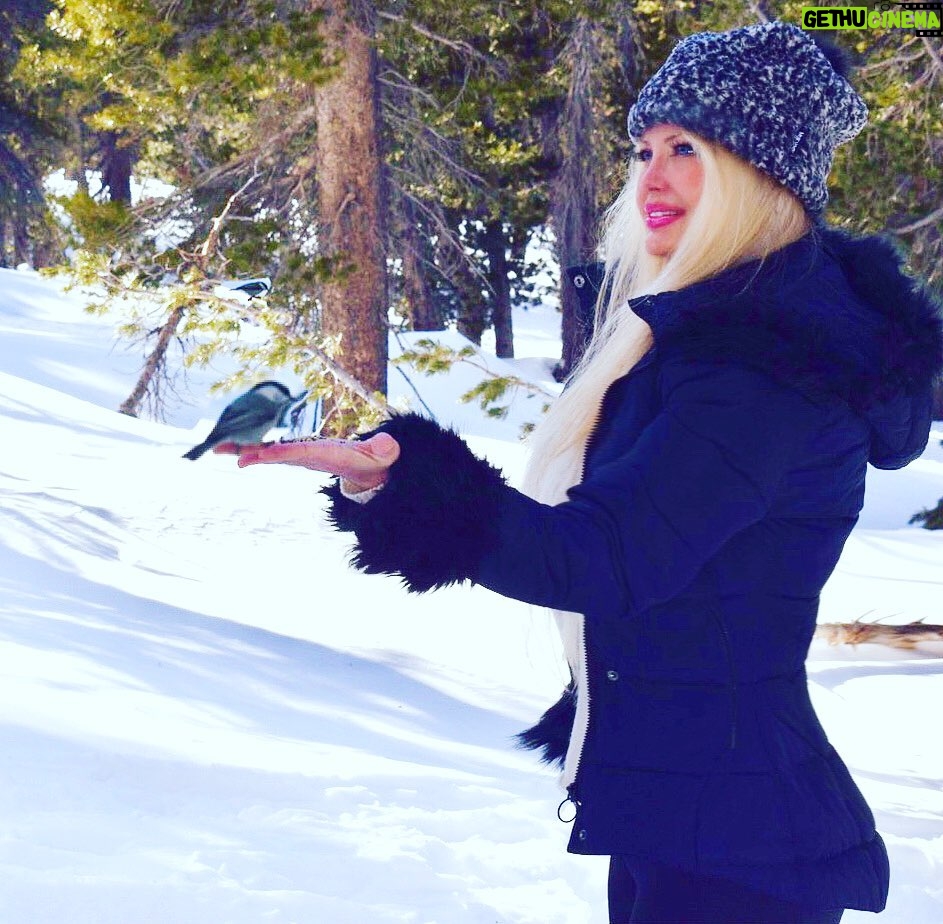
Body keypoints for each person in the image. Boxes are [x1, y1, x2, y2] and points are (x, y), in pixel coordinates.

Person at [220, 21, 943, 924]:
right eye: (643, 148)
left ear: (762, 174)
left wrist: (410, 479)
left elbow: (606, 559)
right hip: (694, 821)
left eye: (687, 148)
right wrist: (386, 482)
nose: (652, 175)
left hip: (733, 850)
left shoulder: (761, 372)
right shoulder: (728, 341)